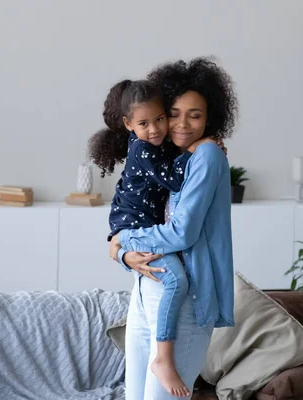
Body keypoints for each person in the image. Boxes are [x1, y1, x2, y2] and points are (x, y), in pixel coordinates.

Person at [110, 57, 238, 400]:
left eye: (194, 115)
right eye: (174, 113)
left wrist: (124, 241)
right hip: (145, 292)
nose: (182, 123)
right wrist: (122, 252)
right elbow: (130, 202)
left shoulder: (206, 155)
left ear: (210, 118)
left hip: (185, 302)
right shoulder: (161, 153)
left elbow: (182, 233)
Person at [88, 79, 215, 397]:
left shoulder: (151, 148)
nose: (157, 128)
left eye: (160, 119)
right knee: (177, 282)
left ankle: (163, 357)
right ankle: (164, 358)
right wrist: (194, 152)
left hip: (135, 235)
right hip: (136, 232)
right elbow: (174, 184)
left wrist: (120, 251)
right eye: (145, 123)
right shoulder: (146, 149)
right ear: (129, 124)